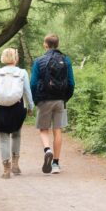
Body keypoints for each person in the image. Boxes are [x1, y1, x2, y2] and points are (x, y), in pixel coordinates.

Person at [0, 47, 35, 178]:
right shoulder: (22, 73)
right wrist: (31, 107)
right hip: (18, 107)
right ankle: (15, 164)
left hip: (0, 107)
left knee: (3, 137)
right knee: (16, 134)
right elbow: (27, 92)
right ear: (15, 58)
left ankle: (6, 168)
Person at [30, 33, 75, 174]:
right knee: (58, 130)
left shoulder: (39, 61)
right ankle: (55, 164)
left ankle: (47, 149)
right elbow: (71, 83)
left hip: (44, 99)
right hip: (60, 100)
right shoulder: (66, 60)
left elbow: (32, 83)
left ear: (45, 45)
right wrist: (65, 98)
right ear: (58, 44)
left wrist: (35, 99)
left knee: (43, 130)